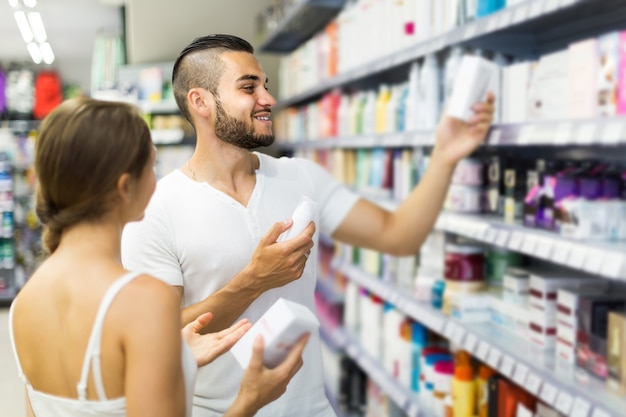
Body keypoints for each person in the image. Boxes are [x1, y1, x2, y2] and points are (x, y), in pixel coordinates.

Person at [121, 34, 495, 417]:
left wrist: (445, 155)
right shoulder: (156, 208)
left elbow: (398, 235)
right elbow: (156, 338)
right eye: (249, 87)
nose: (268, 98)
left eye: (265, 85)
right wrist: (254, 280)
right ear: (200, 101)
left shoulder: (300, 178)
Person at [8, 97, 310, 417]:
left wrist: (170, 354)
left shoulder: (24, 302)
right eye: (151, 166)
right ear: (125, 187)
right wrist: (251, 399)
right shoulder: (142, 300)